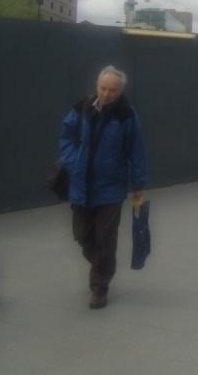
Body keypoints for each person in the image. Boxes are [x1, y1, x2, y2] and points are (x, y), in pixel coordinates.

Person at [60, 65, 147, 310]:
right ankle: (102, 266)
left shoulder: (126, 115)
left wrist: (138, 182)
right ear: (97, 86)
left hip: (111, 187)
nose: (106, 93)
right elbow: (67, 136)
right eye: (103, 88)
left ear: (120, 91)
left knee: (106, 238)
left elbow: (136, 149)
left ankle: (100, 286)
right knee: (82, 236)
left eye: (112, 90)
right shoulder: (82, 108)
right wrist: (73, 161)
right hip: (81, 185)